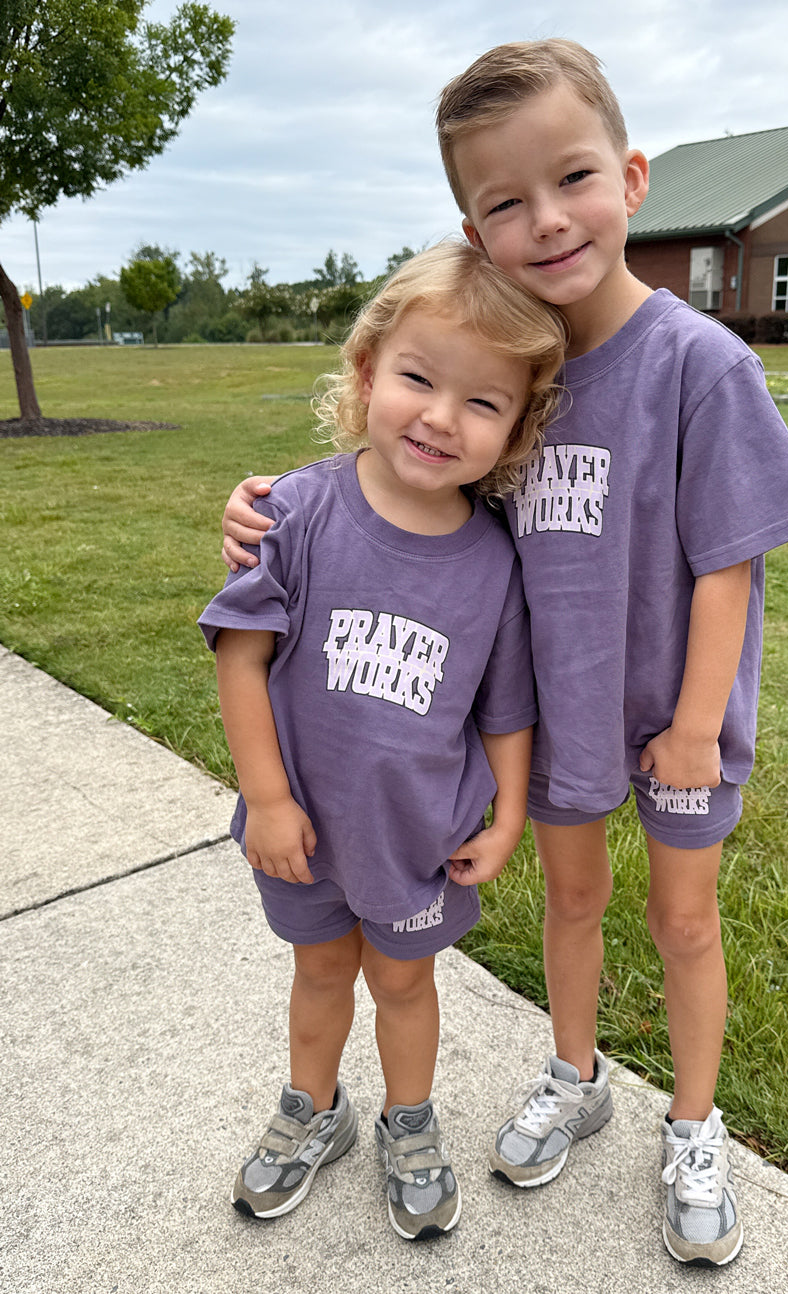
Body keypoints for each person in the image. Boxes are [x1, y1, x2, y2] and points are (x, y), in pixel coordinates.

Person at [220, 39, 788, 1267]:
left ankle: (694, 1127)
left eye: (572, 179)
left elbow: (730, 562)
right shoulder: (514, 367)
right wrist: (264, 511)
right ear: (473, 223)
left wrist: (699, 721)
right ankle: (574, 1073)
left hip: (676, 717)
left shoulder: (698, 363)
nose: (547, 220)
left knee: (682, 918)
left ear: (633, 177)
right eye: (506, 201)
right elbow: (413, 485)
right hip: (554, 712)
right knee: (570, 899)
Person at [200, 240, 566, 1241]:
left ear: (515, 429)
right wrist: (267, 800)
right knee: (320, 974)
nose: (443, 417)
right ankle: (314, 1112)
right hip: (304, 828)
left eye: (483, 402)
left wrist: (509, 814)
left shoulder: (494, 562)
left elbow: (504, 708)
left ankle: (409, 1121)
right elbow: (239, 657)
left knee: (404, 981)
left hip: (415, 835)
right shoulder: (300, 510)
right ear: (366, 375)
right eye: (417, 378)